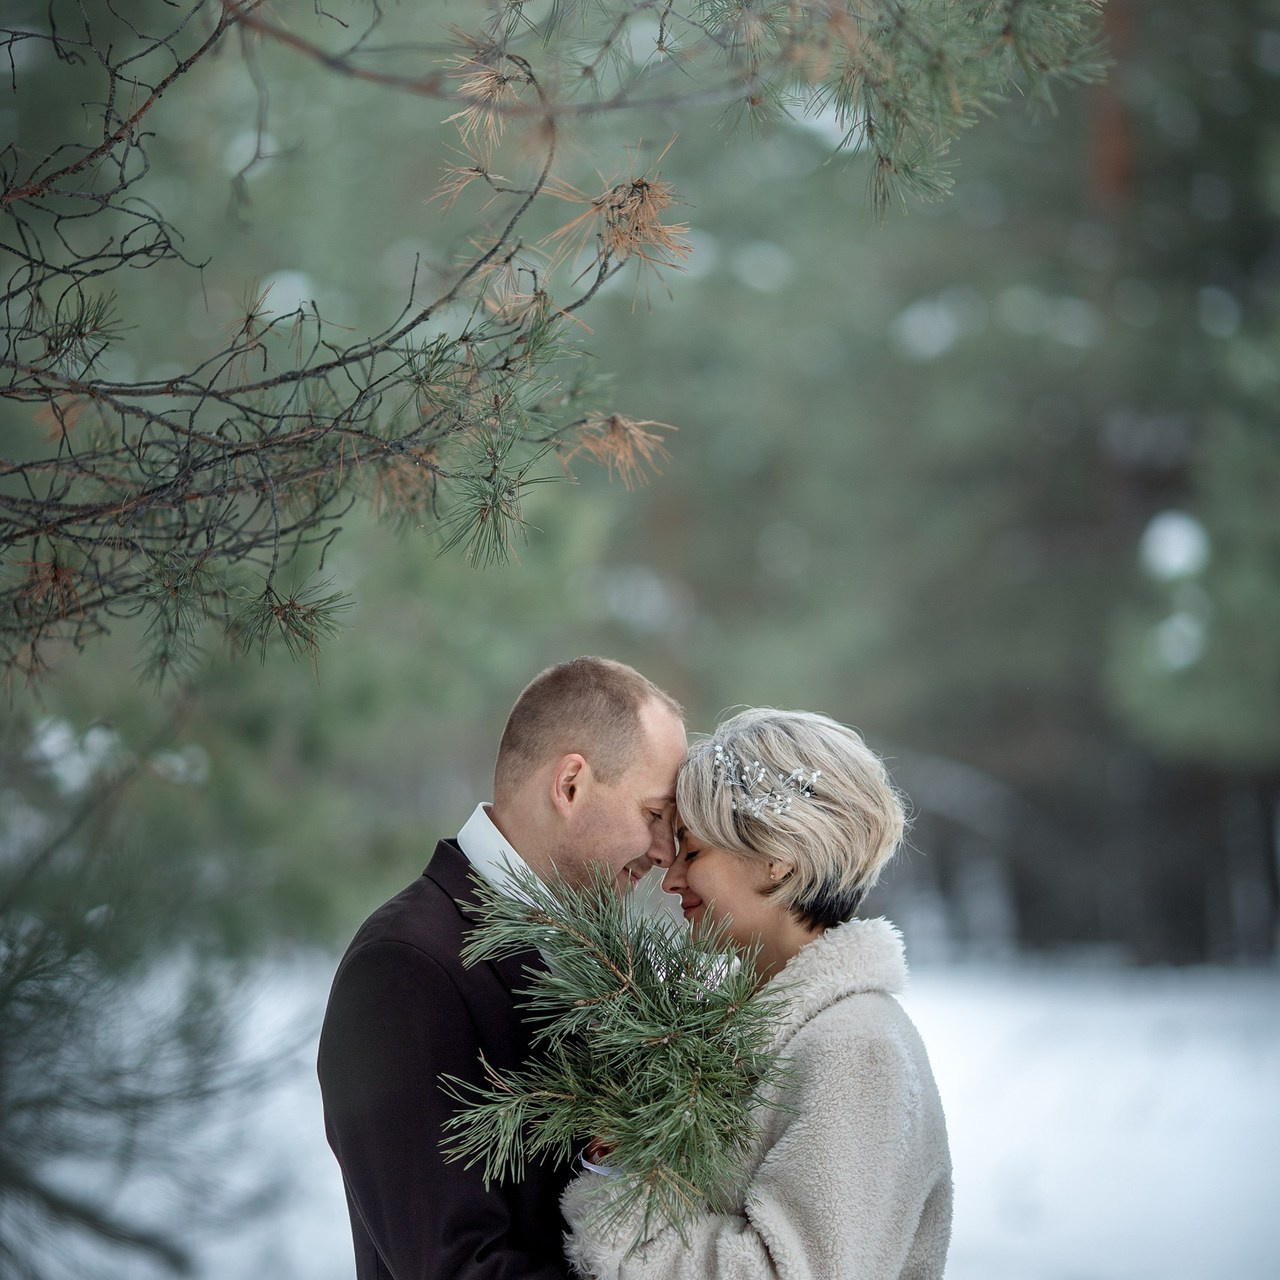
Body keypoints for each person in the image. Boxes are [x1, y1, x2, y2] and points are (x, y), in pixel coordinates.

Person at [318, 656, 687, 1280]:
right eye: (654, 816)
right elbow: (457, 1268)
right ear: (570, 784)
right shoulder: (405, 967)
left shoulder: (608, 961)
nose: (664, 853)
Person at [561, 707, 952, 1280]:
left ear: (777, 857)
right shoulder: (765, 1032)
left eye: (693, 852)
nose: (670, 879)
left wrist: (612, 1209)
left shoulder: (856, 1047)